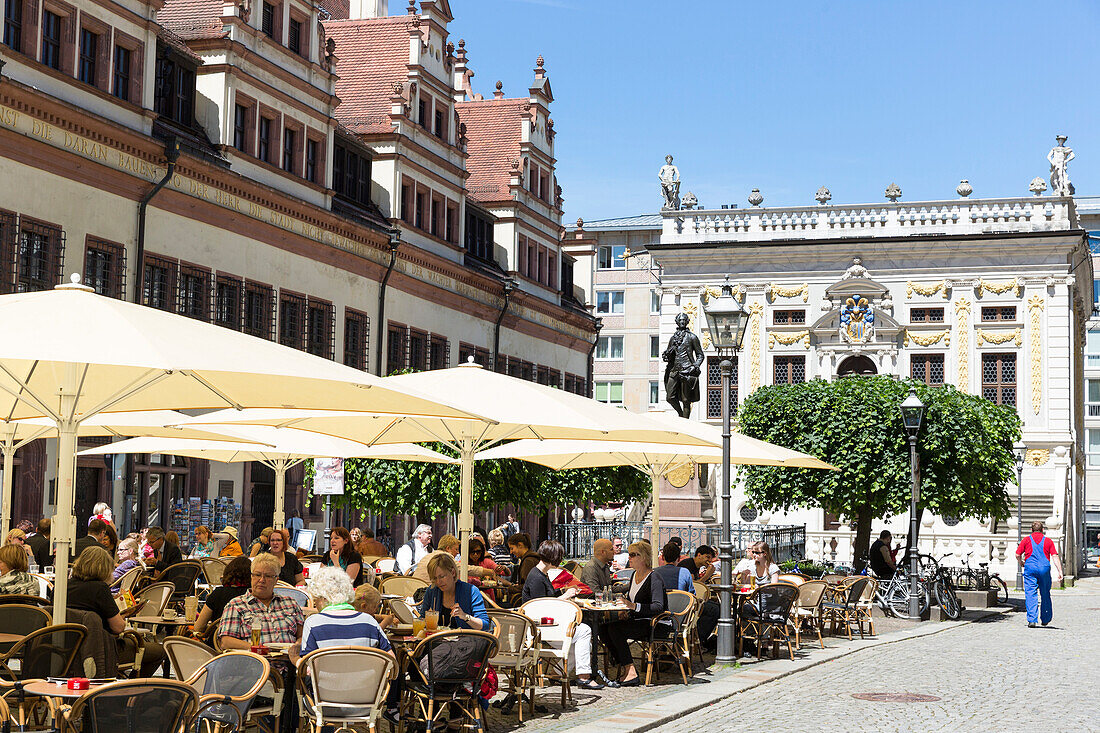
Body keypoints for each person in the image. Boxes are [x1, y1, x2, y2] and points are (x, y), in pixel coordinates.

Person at [219, 552, 305, 733]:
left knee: (306, 684)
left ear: (276, 579)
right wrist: (254, 648)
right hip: (254, 669)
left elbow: (302, 635)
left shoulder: (290, 603)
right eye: (257, 575)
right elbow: (226, 641)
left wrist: (297, 644)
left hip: (290, 667)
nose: (261, 580)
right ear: (251, 577)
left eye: (267, 576)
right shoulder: (237, 605)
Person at [68, 545, 164, 675]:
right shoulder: (100, 589)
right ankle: (134, 685)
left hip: (67, 649)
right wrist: (122, 615)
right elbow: (118, 628)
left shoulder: (63, 586)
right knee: (160, 651)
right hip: (100, 649)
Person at [521, 539, 602, 690]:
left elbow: (548, 596)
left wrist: (564, 591)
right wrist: (565, 597)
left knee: (580, 645)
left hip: (545, 625)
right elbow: (542, 606)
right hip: (541, 628)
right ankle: (583, 677)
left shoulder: (540, 574)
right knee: (584, 631)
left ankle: (557, 674)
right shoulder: (537, 578)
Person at [598, 541, 669, 686]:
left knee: (615, 629)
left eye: (632, 555)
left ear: (643, 557)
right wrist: (627, 611)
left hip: (657, 623)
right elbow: (632, 602)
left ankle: (630, 672)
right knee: (603, 628)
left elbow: (658, 606)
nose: (629, 558)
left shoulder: (654, 577)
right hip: (639, 620)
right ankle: (625, 666)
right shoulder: (634, 575)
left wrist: (633, 607)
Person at [290, 566, 392, 665]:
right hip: (367, 682)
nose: (316, 605)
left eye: (316, 600)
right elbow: (391, 660)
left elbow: (309, 668)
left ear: (324, 598)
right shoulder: (369, 621)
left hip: (326, 682)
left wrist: (296, 660)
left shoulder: (313, 623)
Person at [418, 552, 490, 631]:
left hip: (465, 639)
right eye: (435, 578)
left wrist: (465, 616)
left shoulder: (471, 591)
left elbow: (485, 625)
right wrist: (426, 619)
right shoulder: (432, 591)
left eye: (442, 577)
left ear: (453, 572)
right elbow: (422, 618)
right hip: (437, 639)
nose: (438, 582)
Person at [1016, 521, 1064, 628]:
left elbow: (1017, 554)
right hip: (1044, 569)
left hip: (1030, 568)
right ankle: (1045, 618)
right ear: (1042, 530)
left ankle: (1032, 619)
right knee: (1045, 593)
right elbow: (1055, 556)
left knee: (1030, 593)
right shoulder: (1048, 541)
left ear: (1031, 530)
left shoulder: (1026, 540)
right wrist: (1060, 571)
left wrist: (1021, 563)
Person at [193, 555, 251, 638]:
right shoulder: (253, 595)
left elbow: (198, 627)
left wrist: (212, 627)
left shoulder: (218, 594)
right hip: (244, 645)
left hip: (216, 644)